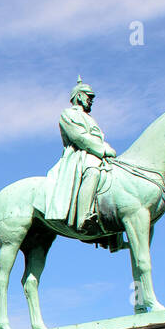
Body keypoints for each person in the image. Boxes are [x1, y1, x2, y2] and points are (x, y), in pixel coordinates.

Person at [47, 77, 116, 232]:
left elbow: (98, 138)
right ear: (79, 96)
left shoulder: (90, 118)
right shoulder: (68, 114)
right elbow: (79, 137)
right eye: (88, 96)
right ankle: (84, 217)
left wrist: (107, 149)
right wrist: (103, 150)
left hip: (96, 154)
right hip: (79, 155)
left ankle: (112, 233)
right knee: (93, 171)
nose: (91, 100)